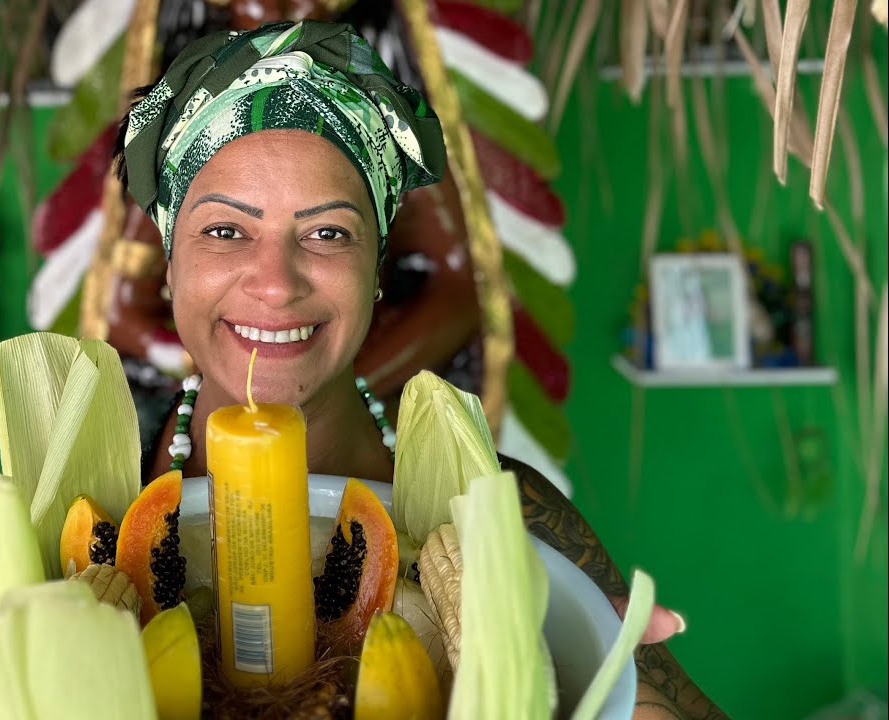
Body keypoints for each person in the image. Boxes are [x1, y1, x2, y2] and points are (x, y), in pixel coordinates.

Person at [116, 20, 725, 719]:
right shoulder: (83, 520)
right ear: (170, 265)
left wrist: (584, 693)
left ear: (376, 270)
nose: (276, 284)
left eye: (327, 233)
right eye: (225, 231)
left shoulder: (506, 514)